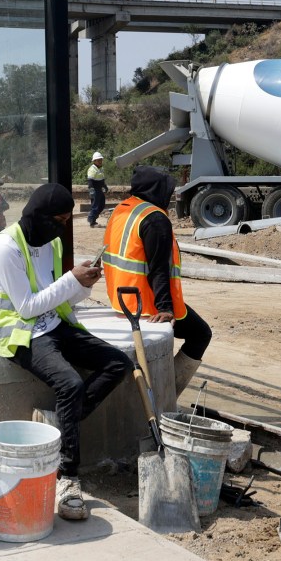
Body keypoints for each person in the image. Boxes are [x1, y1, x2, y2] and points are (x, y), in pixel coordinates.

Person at [0, 183, 130, 522]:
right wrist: (71, 280)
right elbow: (27, 305)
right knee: (71, 385)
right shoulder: (6, 247)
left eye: (66, 220)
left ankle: (59, 422)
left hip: (51, 324)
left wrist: (82, 285)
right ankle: (68, 476)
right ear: (38, 215)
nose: (61, 227)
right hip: (19, 331)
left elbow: (55, 297)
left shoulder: (51, 244)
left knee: (118, 364)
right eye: (58, 219)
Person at [102, 166, 212, 398]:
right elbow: (158, 268)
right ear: (157, 190)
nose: (170, 197)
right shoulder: (154, 219)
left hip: (121, 299)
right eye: (168, 191)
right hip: (147, 305)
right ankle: (167, 394)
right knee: (201, 334)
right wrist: (165, 308)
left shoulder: (123, 210)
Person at [86, 151, 107, 227]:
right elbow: (90, 180)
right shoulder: (92, 169)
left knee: (101, 205)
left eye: (101, 160)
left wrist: (105, 186)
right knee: (95, 206)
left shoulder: (101, 168)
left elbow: (102, 179)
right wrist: (91, 190)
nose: (100, 161)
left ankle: (92, 218)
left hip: (100, 189)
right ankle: (92, 221)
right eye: (98, 160)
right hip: (95, 190)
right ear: (94, 161)